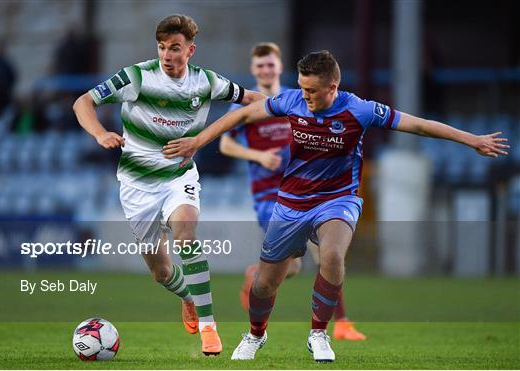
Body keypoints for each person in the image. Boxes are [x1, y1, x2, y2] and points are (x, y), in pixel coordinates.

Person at [162, 50, 509, 362]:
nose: (306, 96)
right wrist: (197, 140)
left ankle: (318, 334)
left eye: (312, 90)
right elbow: (240, 117)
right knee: (264, 285)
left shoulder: (359, 109)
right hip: (291, 203)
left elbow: (418, 125)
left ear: (333, 86)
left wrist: (472, 140)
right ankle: (255, 335)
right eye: (302, 88)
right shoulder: (290, 101)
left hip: (338, 199)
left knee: (331, 256)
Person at [73, 14, 264, 356]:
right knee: (161, 271)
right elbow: (82, 102)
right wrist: (100, 133)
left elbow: (252, 99)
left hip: (179, 177)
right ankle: (189, 298)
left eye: (174, 48)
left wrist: (296, 107)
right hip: (137, 185)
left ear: (190, 50)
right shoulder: (137, 77)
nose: (166, 54)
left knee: (186, 236)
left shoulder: (206, 82)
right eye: (162, 47)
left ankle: (209, 328)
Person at [219, 42, 365, 341]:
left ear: (279, 66)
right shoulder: (245, 104)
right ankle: (257, 276)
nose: (265, 70)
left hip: (309, 190)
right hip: (267, 194)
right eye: (260, 66)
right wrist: (258, 157)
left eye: (270, 65)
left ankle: (342, 322)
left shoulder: (299, 96)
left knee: (327, 253)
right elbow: (226, 144)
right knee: (295, 266)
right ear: (253, 69)